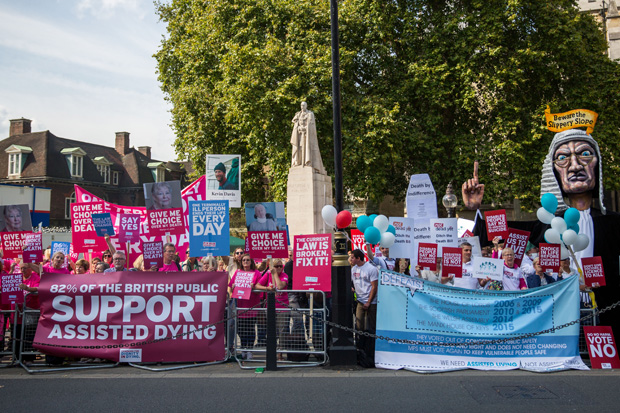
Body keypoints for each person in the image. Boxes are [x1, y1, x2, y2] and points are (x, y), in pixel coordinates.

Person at [462, 128, 620, 333]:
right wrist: (475, 209)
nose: (575, 166)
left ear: (597, 165)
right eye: (563, 158)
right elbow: (500, 231)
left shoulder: (613, 223)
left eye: (585, 154)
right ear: (553, 172)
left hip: (605, 310)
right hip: (560, 311)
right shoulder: (547, 224)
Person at [229, 253, 262, 360]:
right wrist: (233, 286)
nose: (245, 262)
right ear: (241, 262)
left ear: (251, 262)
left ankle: (250, 350)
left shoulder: (256, 273)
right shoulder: (238, 272)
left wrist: (254, 287)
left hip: (252, 305)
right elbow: (231, 286)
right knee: (241, 329)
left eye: (248, 260)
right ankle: (243, 349)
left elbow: (260, 288)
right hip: (240, 305)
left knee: (250, 328)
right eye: (244, 260)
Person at [255, 259, 289, 361]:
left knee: (282, 331)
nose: (279, 268)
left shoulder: (284, 275)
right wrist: (268, 289)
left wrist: (275, 275)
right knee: (271, 331)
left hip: (282, 307)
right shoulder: (268, 275)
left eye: (280, 266)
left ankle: (280, 353)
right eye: (276, 266)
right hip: (270, 307)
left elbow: (280, 286)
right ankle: (272, 352)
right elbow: (257, 285)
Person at [290, 101, 326, 174]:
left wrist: (306, 128)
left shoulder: (310, 114)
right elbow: (295, 124)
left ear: (306, 106)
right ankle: (299, 162)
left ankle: (308, 162)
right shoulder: (298, 114)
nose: (302, 107)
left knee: (307, 148)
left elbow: (311, 125)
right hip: (300, 135)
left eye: (304, 105)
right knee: (299, 149)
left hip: (307, 136)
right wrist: (299, 128)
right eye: (301, 105)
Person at [350, 249, 378, 333]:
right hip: (360, 300)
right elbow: (352, 282)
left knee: (372, 324)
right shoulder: (353, 269)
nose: (351, 259)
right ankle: (360, 340)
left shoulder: (371, 269)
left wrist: (369, 302)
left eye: (352, 258)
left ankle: (372, 340)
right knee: (359, 324)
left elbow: (374, 286)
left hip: (371, 301)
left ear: (358, 258)